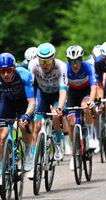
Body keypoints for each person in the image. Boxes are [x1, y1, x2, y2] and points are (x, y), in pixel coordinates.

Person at [0, 53, 35, 186]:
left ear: (14, 68)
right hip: (7, 102)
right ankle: (1, 174)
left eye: (8, 70)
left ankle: (29, 153)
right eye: (2, 71)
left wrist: (27, 115)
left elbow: (32, 101)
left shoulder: (24, 74)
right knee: (2, 136)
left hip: (23, 102)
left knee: (23, 126)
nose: (5, 74)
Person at [27, 42, 68, 180]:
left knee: (56, 116)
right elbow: (30, 87)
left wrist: (60, 109)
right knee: (36, 127)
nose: (44, 65)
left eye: (47, 61)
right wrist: (30, 107)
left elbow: (63, 91)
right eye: (41, 61)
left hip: (57, 95)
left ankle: (57, 144)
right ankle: (34, 165)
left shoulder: (61, 66)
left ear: (54, 59)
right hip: (42, 94)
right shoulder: (33, 65)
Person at [65, 45, 98, 170]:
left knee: (86, 107)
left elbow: (94, 86)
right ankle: (74, 154)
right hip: (72, 94)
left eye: (77, 60)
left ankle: (90, 135)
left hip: (86, 92)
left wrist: (91, 101)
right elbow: (61, 87)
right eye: (72, 61)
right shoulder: (65, 68)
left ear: (81, 59)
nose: (75, 64)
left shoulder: (88, 67)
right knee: (72, 122)